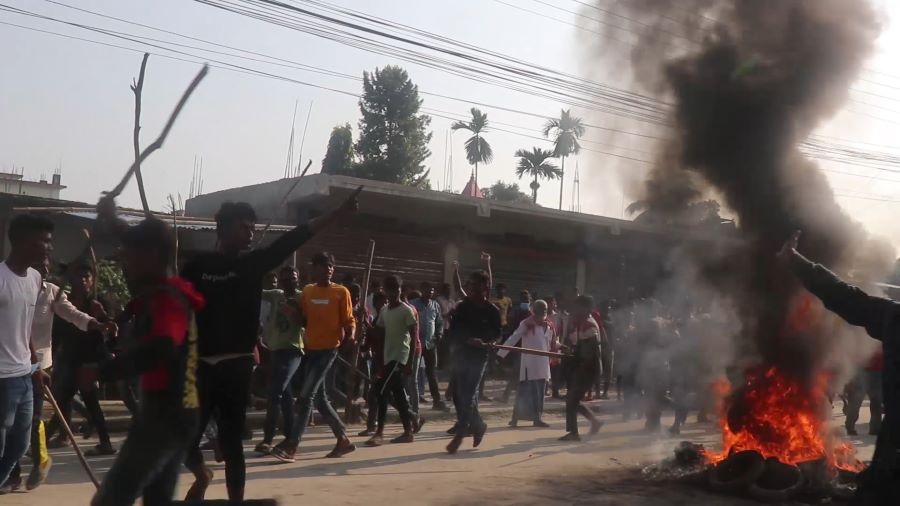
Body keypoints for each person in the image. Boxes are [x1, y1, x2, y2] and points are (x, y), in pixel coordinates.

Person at [182, 189, 359, 502]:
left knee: (232, 443)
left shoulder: (254, 263)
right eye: (244, 227)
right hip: (202, 365)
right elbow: (175, 302)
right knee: (185, 438)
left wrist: (336, 215)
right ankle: (202, 474)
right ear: (223, 228)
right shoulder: (197, 267)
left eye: (253, 228)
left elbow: (296, 237)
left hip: (237, 365)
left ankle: (236, 500)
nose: (250, 234)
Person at [86, 205, 206, 506]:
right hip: (176, 413)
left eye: (131, 257)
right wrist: (112, 219)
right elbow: (137, 239)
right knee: (157, 500)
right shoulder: (167, 291)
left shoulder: (168, 300)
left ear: (151, 256)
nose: (127, 264)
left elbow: (162, 348)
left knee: (110, 500)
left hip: (164, 417)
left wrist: (103, 371)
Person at [779, 231, 899, 504]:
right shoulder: (895, 318)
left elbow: (848, 299)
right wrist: (798, 262)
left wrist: (796, 261)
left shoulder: (894, 318)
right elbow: (849, 299)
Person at [6, 257, 113, 492]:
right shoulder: (9, 285)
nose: (44, 269)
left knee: (32, 419)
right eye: (38, 264)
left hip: (39, 365)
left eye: (46, 265)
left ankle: (38, 461)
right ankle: (12, 473)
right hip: (10, 363)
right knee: (9, 422)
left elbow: (72, 313)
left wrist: (94, 323)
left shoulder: (52, 292)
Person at [270, 252, 356, 463]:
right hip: (310, 351)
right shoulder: (308, 291)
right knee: (319, 399)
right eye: (324, 266)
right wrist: (292, 314)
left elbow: (349, 320)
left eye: (331, 266)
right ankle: (343, 440)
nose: (328, 269)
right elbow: (304, 321)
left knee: (306, 397)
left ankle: (292, 445)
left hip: (328, 351)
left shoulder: (341, 292)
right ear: (314, 269)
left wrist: (352, 335)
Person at [0, 215, 52, 491]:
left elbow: (25, 327)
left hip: (24, 376)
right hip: (1, 380)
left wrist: (35, 366)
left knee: (20, 445)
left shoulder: (35, 278)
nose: (48, 247)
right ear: (21, 241)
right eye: (43, 241)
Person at [45, 260, 116, 456]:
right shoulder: (64, 302)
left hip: (89, 360)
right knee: (67, 400)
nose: (83, 280)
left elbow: (111, 331)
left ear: (92, 280)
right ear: (72, 279)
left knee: (72, 400)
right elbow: (56, 330)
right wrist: (52, 355)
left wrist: (102, 316)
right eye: (79, 276)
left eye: (87, 276)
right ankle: (104, 441)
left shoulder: (99, 302)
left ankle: (42, 443)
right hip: (69, 357)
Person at [446, 270, 502, 454]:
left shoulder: (492, 310)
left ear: (485, 288)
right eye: (470, 285)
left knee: (468, 395)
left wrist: (492, 342)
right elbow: (454, 331)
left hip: (479, 357)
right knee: (461, 395)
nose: (471, 288)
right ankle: (478, 425)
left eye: (476, 285)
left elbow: (497, 333)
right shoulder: (462, 307)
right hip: (461, 355)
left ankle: (461, 433)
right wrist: (468, 339)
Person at [365, 275, 419, 446]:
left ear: (400, 290)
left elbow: (414, 336)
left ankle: (379, 432)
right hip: (388, 357)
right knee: (398, 395)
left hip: (400, 357)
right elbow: (378, 333)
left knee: (381, 391)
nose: (392, 293)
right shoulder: (384, 311)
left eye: (396, 290)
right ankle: (408, 430)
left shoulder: (406, 310)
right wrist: (365, 322)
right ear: (385, 291)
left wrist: (410, 363)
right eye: (389, 290)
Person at [255, 266, 304, 455]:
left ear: (297, 280)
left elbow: (305, 322)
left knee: (275, 392)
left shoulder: (302, 297)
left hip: (292, 349)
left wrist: (295, 311)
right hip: (275, 349)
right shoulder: (276, 295)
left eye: (292, 278)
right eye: (285, 280)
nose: (288, 282)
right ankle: (290, 435)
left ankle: (268, 438)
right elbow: (258, 292)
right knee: (285, 394)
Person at [497, 299, 556, 428]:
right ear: (534, 310)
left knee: (539, 393)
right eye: (540, 309)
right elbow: (514, 337)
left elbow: (551, 343)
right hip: (529, 363)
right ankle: (515, 419)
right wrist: (501, 353)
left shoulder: (549, 325)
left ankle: (537, 419)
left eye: (544, 310)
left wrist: (560, 348)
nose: (542, 312)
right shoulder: (527, 323)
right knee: (523, 392)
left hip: (543, 364)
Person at [558, 295, 604, 442]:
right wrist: (570, 350)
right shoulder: (582, 323)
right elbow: (580, 348)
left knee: (572, 399)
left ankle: (574, 433)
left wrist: (573, 354)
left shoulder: (589, 325)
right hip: (583, 367)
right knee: (573, 399)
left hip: (588, 368)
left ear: (586, 309)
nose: (575, 310)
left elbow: (589, 351)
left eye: (578, 307)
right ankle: (594, 423)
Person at [411, 282, 447, 411]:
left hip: (430, 344)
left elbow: (439, 322)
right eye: (428, 290)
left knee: (432, 374)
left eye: (432, 290)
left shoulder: (435, 305)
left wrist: (439, 334)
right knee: (413, 373)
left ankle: (437, 401)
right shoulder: (413, 304)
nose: (430, 292)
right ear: (422, 290)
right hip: (416, 344)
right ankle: (412, 400)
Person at [844, 350, 884, 436]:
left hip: (878, 370)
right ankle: (850, 426)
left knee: (876, 401)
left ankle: (875, 428)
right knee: (856, 400)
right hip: (862, 370)